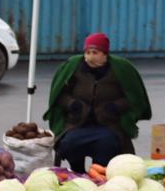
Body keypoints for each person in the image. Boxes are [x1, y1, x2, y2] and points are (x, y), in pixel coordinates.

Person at [45, 32, 151, 173]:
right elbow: (60, 94)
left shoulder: (120, 70)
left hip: (108, 125)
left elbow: (133, 97)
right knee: (69, 143)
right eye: (87, 52)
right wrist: (71, 104)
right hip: (77, 123)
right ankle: (77, 172)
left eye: (95, 52)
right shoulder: (74, 68)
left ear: (104, 54)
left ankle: (99, 174)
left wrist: (115, 106)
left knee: (107, 144)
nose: (89, 57)